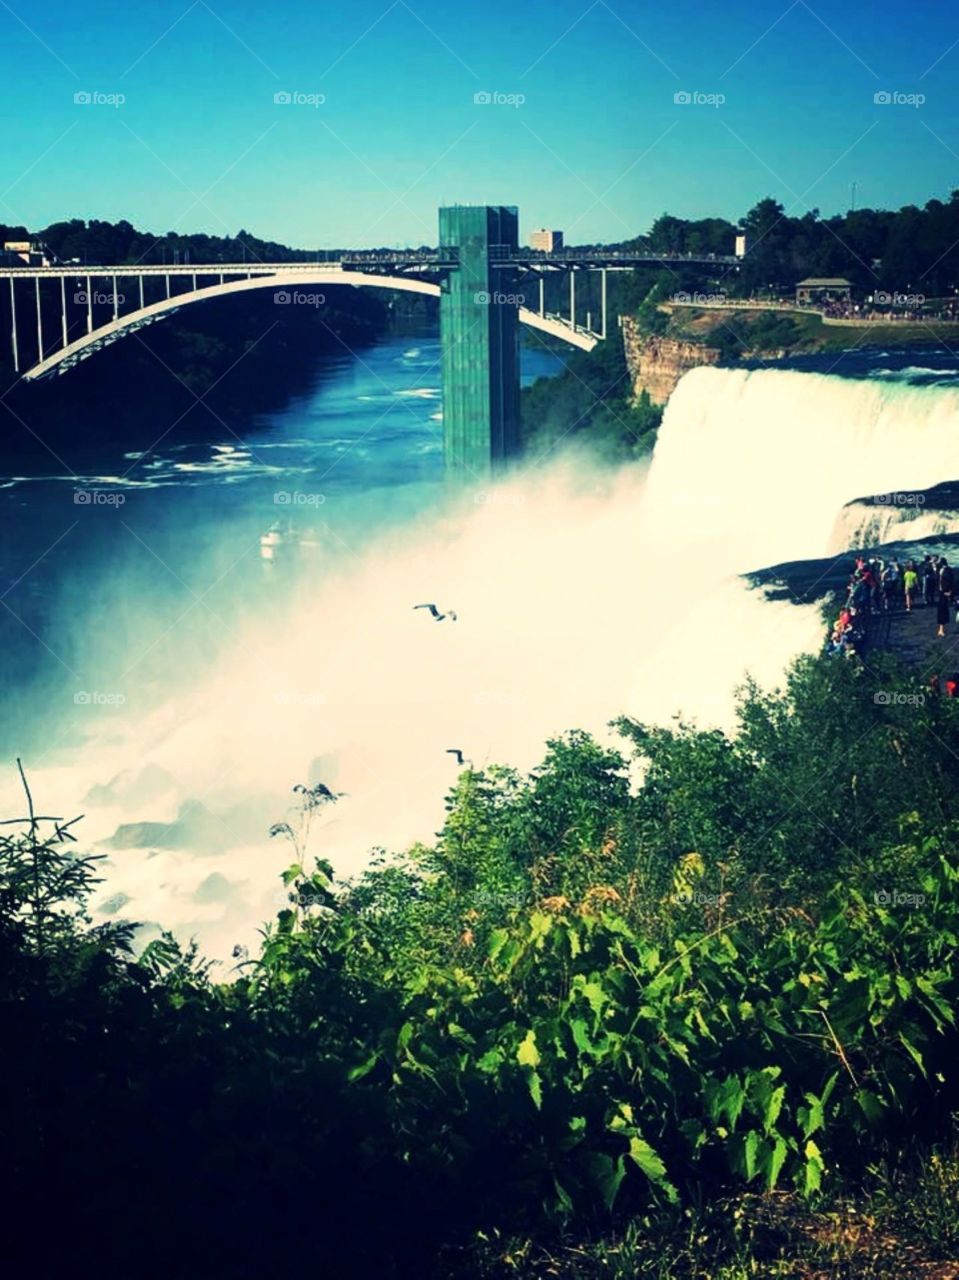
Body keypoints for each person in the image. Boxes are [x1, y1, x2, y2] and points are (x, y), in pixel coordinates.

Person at [937, 557, 954, 638]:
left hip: (945, 592)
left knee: (943, 610)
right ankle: (940, 629)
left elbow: (951, 581)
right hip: (941, 592)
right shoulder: (940, 569)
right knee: (941, 610)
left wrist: (950, 592)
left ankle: (941, 629)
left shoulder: (948, 570)